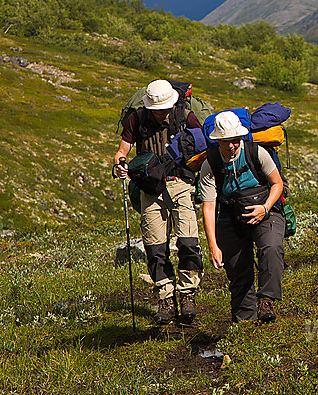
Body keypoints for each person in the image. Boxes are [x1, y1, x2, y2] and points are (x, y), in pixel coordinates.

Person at [113, 79, 204, 325]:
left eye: (164, 108)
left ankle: (187, 295)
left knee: (188, 241)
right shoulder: (136, 119)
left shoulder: (185, 116)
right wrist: (121, 163)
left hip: (181, 183)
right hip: (150, 189)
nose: (162, 113)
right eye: (158, 109)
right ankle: (165, 296)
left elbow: (204, 146)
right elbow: (123, 150)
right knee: (155, 246)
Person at [199, 111, 286, 323]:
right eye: (226, 141)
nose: (231, 146)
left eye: (235, 141)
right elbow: (209, 208)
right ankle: (244, 323)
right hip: (230, 218)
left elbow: (277, 184)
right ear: (217, 140)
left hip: (266, 211)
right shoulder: (209, 164)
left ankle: (267, 301)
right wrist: (213, 245)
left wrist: (264, 208)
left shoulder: (257, 153)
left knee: (271, 248)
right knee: (239, 271)